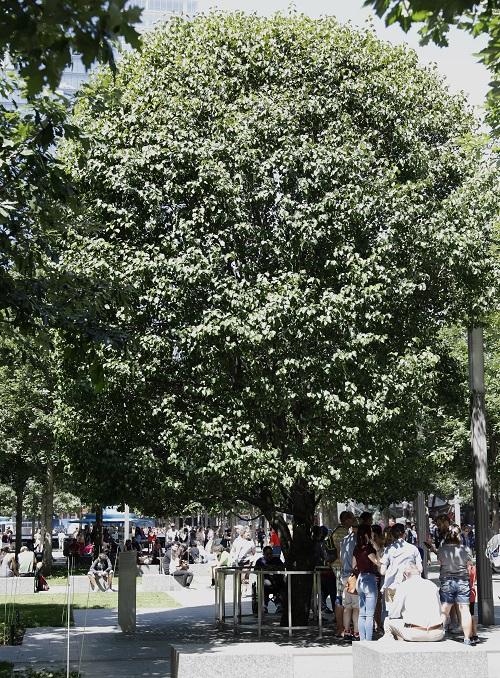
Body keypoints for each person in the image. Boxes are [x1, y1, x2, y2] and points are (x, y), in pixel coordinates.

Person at [385, 563, 445, 642]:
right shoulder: (432, 585)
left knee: (388, 622)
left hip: (415, 633)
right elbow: (439, 611)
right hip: (437, 632)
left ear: (405, 575)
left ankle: (395, 650)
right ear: (419, 573)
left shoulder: (403, 586)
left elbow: (393, 614)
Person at [437, 530, 474, 645]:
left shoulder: (442, 550)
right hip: (463, 581)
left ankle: (439, 633)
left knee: (445, 609)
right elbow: (469, 566)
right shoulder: (466, 549)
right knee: (465, 610)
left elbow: (440, 563)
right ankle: (467, 638)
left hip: (447, 581)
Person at [380, 523, 422, 620]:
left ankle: (391, 633)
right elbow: (420, 569)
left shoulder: (388, 549)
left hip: (391, 587)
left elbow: (382, 571)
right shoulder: (413, 549)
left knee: (390, 613)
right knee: (409, 612)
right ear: (404, 534)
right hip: (410, 585)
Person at [328, 510, 355, 636]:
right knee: (340, 597)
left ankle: (342, 627)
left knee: (342, 597)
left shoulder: (341, 531)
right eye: (352, 519)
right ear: (346, 520)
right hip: (341, 567)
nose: (354, 521)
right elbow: (341, 552)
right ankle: (340, 628)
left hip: (340, 567)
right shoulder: (342, 532)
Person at [352, 525, 379, 641]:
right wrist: (377, 548)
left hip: (360, 579)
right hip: (370, 580)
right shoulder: (368, 549)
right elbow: (378, 562)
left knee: (362, 613)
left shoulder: (357, 548)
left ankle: (362, 640)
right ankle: (368, 640)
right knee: (369, 615)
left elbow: (353, 565)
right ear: (368, 535)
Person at [253, 545, 284, 613]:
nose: (269, 555)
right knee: (263, 586)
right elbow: (255, 570)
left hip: (277, 583)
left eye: (270, 554)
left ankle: (279, 605)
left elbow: (282, 568)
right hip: (264, 583)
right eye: (267, 554)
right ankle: (264, 606)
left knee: (281, 587)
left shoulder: (277, 560)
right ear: (263, 554)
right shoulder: (260, 561)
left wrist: (273, 568)